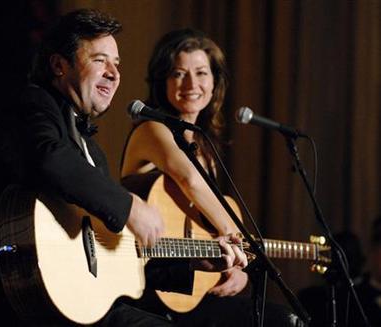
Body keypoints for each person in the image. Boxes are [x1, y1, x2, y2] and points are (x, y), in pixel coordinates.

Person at [0, 9, 247, 327]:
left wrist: (193, 264)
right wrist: (130, 207)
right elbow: (50, 158)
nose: (114, 73)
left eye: (117, 64)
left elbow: (119, 257)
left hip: (83, 301)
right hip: (23, 301)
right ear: (59, 66)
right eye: (100, 60)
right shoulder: (33, 105)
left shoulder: (92, 151)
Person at [120, 28, 302, 327]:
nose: (191, 84)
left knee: (285, 318)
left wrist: (235, 268)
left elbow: (205, 230)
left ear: (215, 81)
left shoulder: (204, 144)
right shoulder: (152, 129)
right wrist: (241, 247)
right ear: (162, 81)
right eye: (178, 74)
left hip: (194, 286)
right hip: (154, 282)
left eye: (201, 73)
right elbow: (190, 180)